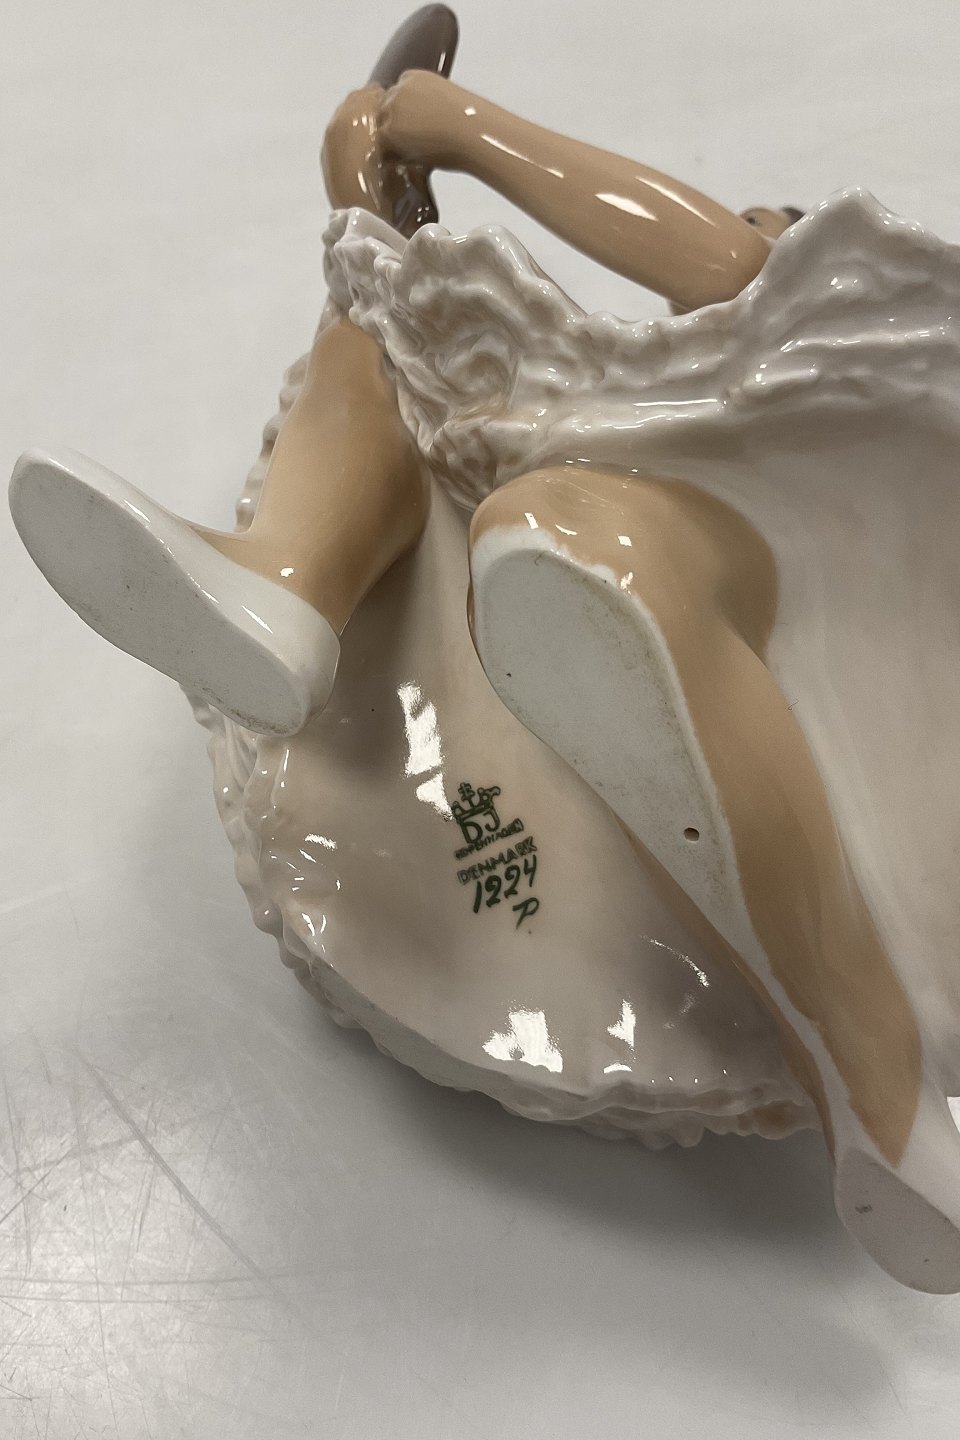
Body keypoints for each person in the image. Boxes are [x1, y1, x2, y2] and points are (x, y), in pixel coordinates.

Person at [9, 68, 797, 736]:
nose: (744, 222)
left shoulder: (811, 348)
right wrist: (370, 194)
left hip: (668, 540)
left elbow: (732, 268)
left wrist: (468, 128)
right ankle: (288, 584)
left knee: (435, 381)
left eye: (766, 216)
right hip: (527, 521)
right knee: (375, 343)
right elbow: (403, 305)